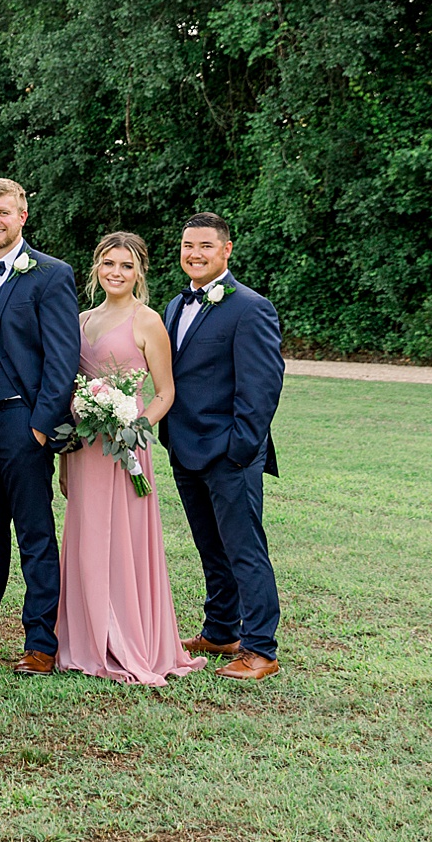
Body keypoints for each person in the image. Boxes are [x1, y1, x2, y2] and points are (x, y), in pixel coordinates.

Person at [57, 232, 203, 686]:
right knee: (85, 537)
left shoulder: (147, 321)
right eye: (107, 264)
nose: (115, 273)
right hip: (85, 449)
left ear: (138, 271)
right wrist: (65, 457)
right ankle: (87, 638)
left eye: (124, 265)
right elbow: (70, 390)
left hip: (126, 448)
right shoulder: (80, 320)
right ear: (96, 268)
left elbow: (165, 392)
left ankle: (129, 639)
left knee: (123, 539)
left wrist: (136, 426)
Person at [0, 177, 79, 675]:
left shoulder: (51, 274)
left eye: (3, 212)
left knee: (35, 535)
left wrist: (41, 427)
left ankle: (40, 643)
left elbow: (62, 356)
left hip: (22, 422)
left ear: (22, 216)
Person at [161, 212, 285, 681]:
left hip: (230, 453)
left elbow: (262, 387)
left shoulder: (250, 307)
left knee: (244, 550)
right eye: (188, 244)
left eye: (205, 246)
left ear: (226, 250)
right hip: (185, 448)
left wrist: (239, 450)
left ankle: (260, 650)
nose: (194, 253)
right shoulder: (174, 306)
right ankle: (220, 631)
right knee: (210, 548)